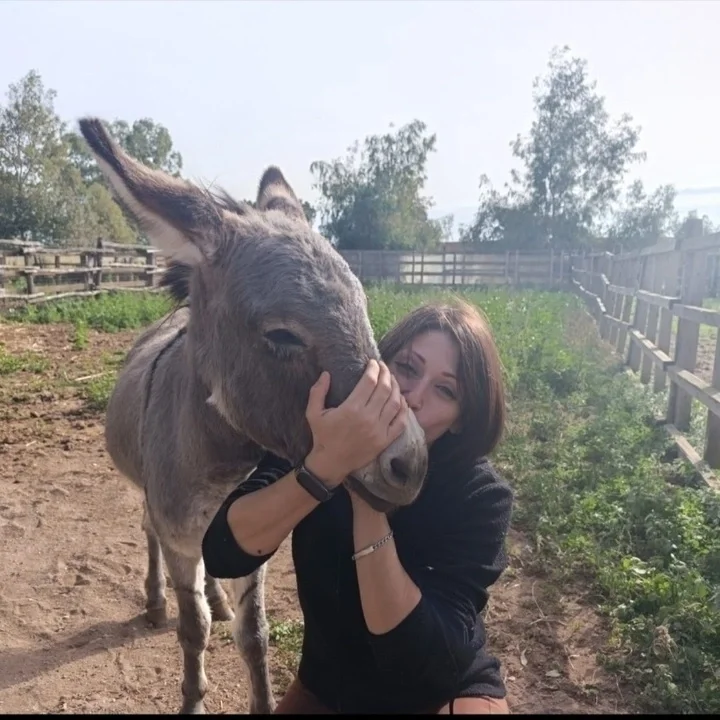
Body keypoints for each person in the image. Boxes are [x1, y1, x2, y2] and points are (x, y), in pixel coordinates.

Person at [202, 299, 513, 714]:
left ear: (460, 418)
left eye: (445, 390)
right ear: (376, 366)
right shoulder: (318, 439)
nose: (414, 398)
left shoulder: (480, 495)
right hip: (329, 685)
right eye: (407, 368)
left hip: (436, 692)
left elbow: (417, 663)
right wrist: (326, 466)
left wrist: (369, 490)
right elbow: (224, 552)